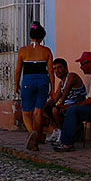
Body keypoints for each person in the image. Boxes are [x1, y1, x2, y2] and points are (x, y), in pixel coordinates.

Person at [53, 51, 91, 152]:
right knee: (70, 110)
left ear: (90, 63)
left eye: (82, 64)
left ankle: (66, 143)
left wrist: (71, 106)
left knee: (72, 110)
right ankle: (65, 139)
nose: (81, 67)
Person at [15, 21, 53, 151]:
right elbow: (51, 71)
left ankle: (32, 133)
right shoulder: (46, 51)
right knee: (38, 111)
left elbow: (18, 70)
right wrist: (53, 87)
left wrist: (16, 84)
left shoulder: (23, 51)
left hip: (28, 80)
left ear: (30, 36)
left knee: (26, 111)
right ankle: (35, 141)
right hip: (43, 80)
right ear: (42, 37)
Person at [44, 58, 86, 145]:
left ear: (66, 68)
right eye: (55, 69)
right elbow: (55, 98)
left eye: (59, 67)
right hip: (67, 105)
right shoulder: (61, 83)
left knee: (55, 110)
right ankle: (57, 130)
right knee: (47, 108)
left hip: (77, 105)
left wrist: (58, 104)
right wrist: (45, 107)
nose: (57, 71)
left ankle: (63, 134)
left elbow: (64, 95)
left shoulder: (72, 76)